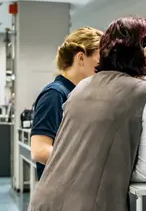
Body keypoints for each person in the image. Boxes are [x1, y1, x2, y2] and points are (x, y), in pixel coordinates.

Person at [23, 17, 146, 211]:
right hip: (85, 210)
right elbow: (145, 172)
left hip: (46, 203)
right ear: (142, 51)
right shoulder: (145, 92)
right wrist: (104, 166)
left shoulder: (81, 88)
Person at [30, 27, 103, 180]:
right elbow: (40, 150)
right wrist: (86, 165)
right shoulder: (55, 94)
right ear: (81, 58)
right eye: (99, 57)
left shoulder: (79, 93)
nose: (102, 65)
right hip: (58, 189)